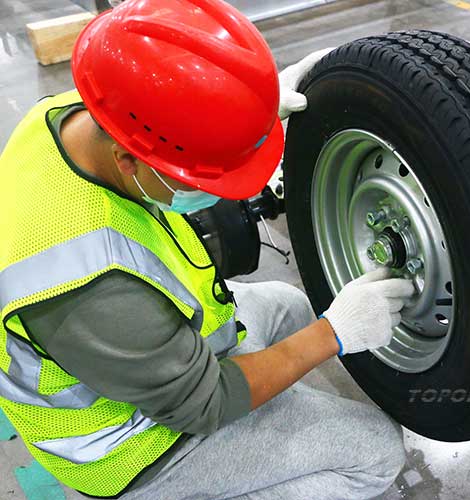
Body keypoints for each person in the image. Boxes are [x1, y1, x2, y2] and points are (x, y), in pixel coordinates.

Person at [0, 0, 415, 498]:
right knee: (376, 451)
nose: (215, 193)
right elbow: (205, 402)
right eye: (200, 178)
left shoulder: (68, 116)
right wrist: (334, 335)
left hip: (144, 355)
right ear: (128, 159)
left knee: (290, 307)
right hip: (129, 447)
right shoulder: (91, 287)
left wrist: (242, 120)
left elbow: (173, 102)